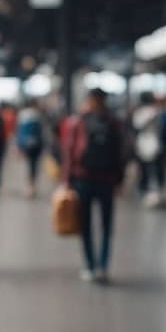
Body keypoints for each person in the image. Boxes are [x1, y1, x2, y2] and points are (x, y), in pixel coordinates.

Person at [61, 88, 127, 283]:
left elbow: (69, 151)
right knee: (106, 225)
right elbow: (120, 153)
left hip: (84, 178)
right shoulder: (113, 122)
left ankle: (90, 265)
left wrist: (66, 180)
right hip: (105, 179)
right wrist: (120, 180)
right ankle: (102, 266)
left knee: (86, 225)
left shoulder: (79, 122)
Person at [132, 91, 163, 207]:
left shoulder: (155, 111)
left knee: (154, 171)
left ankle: (155, 195)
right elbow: (137, 125)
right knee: (144, 171)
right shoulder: (141, 112)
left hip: (153, 143)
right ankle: (144, 193)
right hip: (143, 144)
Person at [16, 101, 45, 198]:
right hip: (37, 145)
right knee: (34, 166)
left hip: (26, 145)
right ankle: (33, 186)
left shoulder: (22, 115)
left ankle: (29, 188)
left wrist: (19, 146)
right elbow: (42, 132)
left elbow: (19, 132)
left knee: (28, 165)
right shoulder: (38, 115)